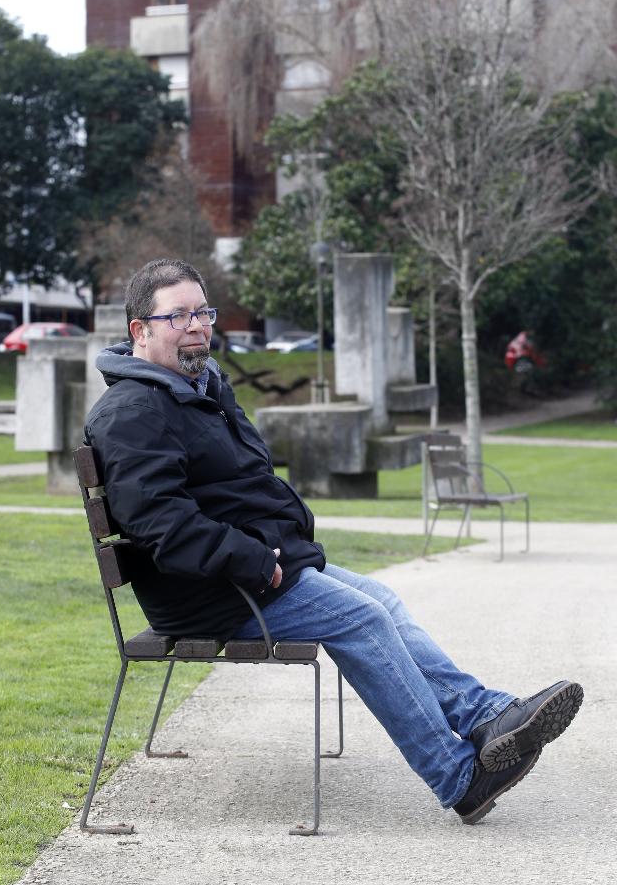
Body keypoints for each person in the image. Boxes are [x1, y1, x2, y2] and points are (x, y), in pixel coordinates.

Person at [84, 258, 583, 825]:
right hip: (212, 590)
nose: (196, 325)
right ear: (139, 330)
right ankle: (459, 776)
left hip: (256, 568)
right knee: (362, 619)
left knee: (383, 601)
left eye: (203, 311)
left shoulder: (200, 390)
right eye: (178, 315)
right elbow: (160, 523)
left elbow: (246, 486)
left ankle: (487, 716)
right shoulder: (132, 412)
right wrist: (250, 558)